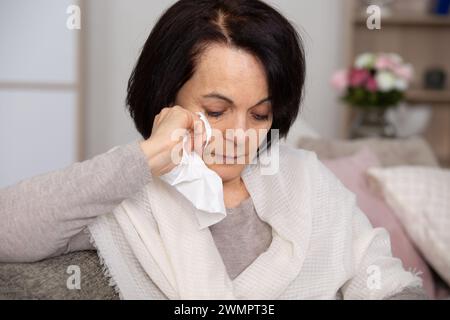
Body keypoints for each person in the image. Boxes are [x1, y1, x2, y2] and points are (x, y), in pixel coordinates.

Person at [0, 0, 427, 299]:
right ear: (166, 96)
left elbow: (384, 282)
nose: (239, 135)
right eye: (217, 110)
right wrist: (146, 158)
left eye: (259, 115)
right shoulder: (127, 194)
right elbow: (7, 231)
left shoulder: (307, 180)